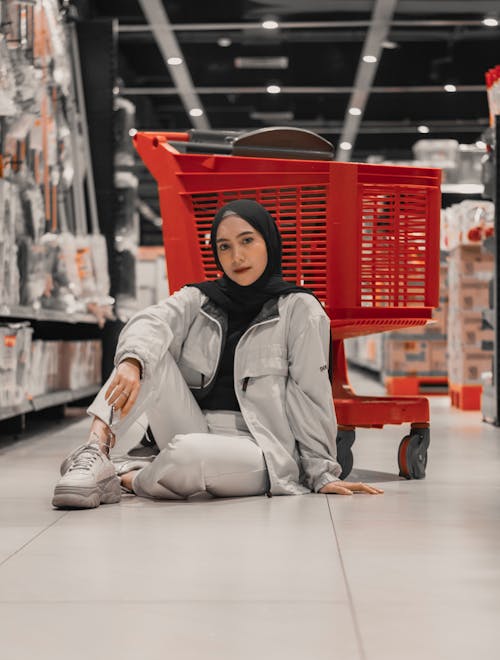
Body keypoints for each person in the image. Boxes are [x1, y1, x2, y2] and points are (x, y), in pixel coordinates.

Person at [52, 200, 383, 509]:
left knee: (187, 453)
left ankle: (127, 477)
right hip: (191, 425)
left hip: (260, 449)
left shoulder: (300, 310)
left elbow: (311, 397)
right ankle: (94, 451)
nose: (237, 256)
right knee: (147, 353)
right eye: (225, 246)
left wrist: (322, 472)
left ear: (269, 242)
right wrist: (131, 361)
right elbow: (151, 320)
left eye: (247, 241)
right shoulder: (200, 298)